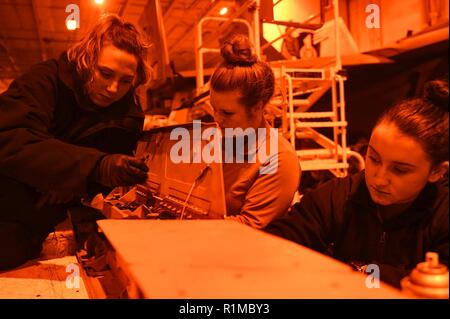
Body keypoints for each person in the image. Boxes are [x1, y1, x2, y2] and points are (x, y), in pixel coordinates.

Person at [0, 14, 151, 270]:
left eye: (126, 81)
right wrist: (93, 166)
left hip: (36, 225)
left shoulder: (128, 116)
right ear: (87, 60)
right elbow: (9, 137)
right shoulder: (45, 81)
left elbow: (103, 186)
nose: (114, 88)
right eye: (105, 73)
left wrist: (87, 201)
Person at [264, 80, 449, 288]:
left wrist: (361, 272)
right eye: (374, 158)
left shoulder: (443, 215)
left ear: (437, 172)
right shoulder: (336, 198)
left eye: (399, 170)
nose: (379, 178)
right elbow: (273, 244)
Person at [209, 34, 301, 229]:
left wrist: (185, 222)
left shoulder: (278, 160)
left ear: (257, 108)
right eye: (214, 109)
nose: (217, 119)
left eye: (227, 112)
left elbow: (248, 229)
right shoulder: (220, 141)